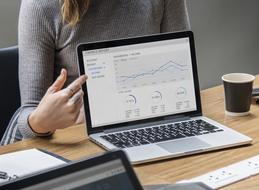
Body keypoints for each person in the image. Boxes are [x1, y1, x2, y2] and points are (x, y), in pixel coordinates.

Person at [1, 0, 190, 145]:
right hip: (75, 142)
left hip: (147, 125)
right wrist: (41, 123)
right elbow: (28, 112)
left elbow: (181, 82)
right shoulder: (41, 6)